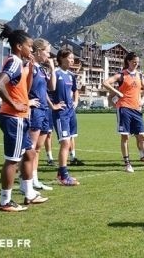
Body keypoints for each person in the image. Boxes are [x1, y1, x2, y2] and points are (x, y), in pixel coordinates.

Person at [0, 24, 48, 211]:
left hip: (20, 116)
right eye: (29, 46)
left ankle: (29, 194)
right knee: (12, 159)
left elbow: (25, 85)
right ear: (19, 46)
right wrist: (14, 104)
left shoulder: (21, 63)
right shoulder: (14, 62)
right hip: (13, 117)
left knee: (30, 153)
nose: (31, 49)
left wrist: (31, 68)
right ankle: (5, 201)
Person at [103, 51, 144, 172]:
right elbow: (105, 82)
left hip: (137, 109)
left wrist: (142, 99)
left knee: (142, 136)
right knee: (125, 137)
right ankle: (127, 164)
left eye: (137, 62)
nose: (136, 64)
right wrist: (117, 92)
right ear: (128, 62)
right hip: (124, 108)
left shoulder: (140, 75)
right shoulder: (121, 75)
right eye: (133, 62)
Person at [26, 38, 60, 192]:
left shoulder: (41, 68)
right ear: (38, 51)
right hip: (35, 111)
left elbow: (51, 88)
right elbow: (21, 86)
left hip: (45, 110)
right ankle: (26, 182)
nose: (49, 54)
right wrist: (27, 101)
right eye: (47, 51)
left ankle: (35, 180)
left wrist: (52, 69)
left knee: (38, 148)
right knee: (31, 148)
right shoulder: (30, 66)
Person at [51, 47, 80, 185]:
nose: (72, 60)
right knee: (65, 143)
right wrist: (53, 105)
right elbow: (45, 91)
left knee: (68, 143)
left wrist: (75, 101)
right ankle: (64, 177)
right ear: (62, 58)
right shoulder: (55, 73)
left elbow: (75, 90)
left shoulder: (71, 75)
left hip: (70, 112)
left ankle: (60, 173)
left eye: (73, 58)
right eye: (70, 57)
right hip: (60, 114)